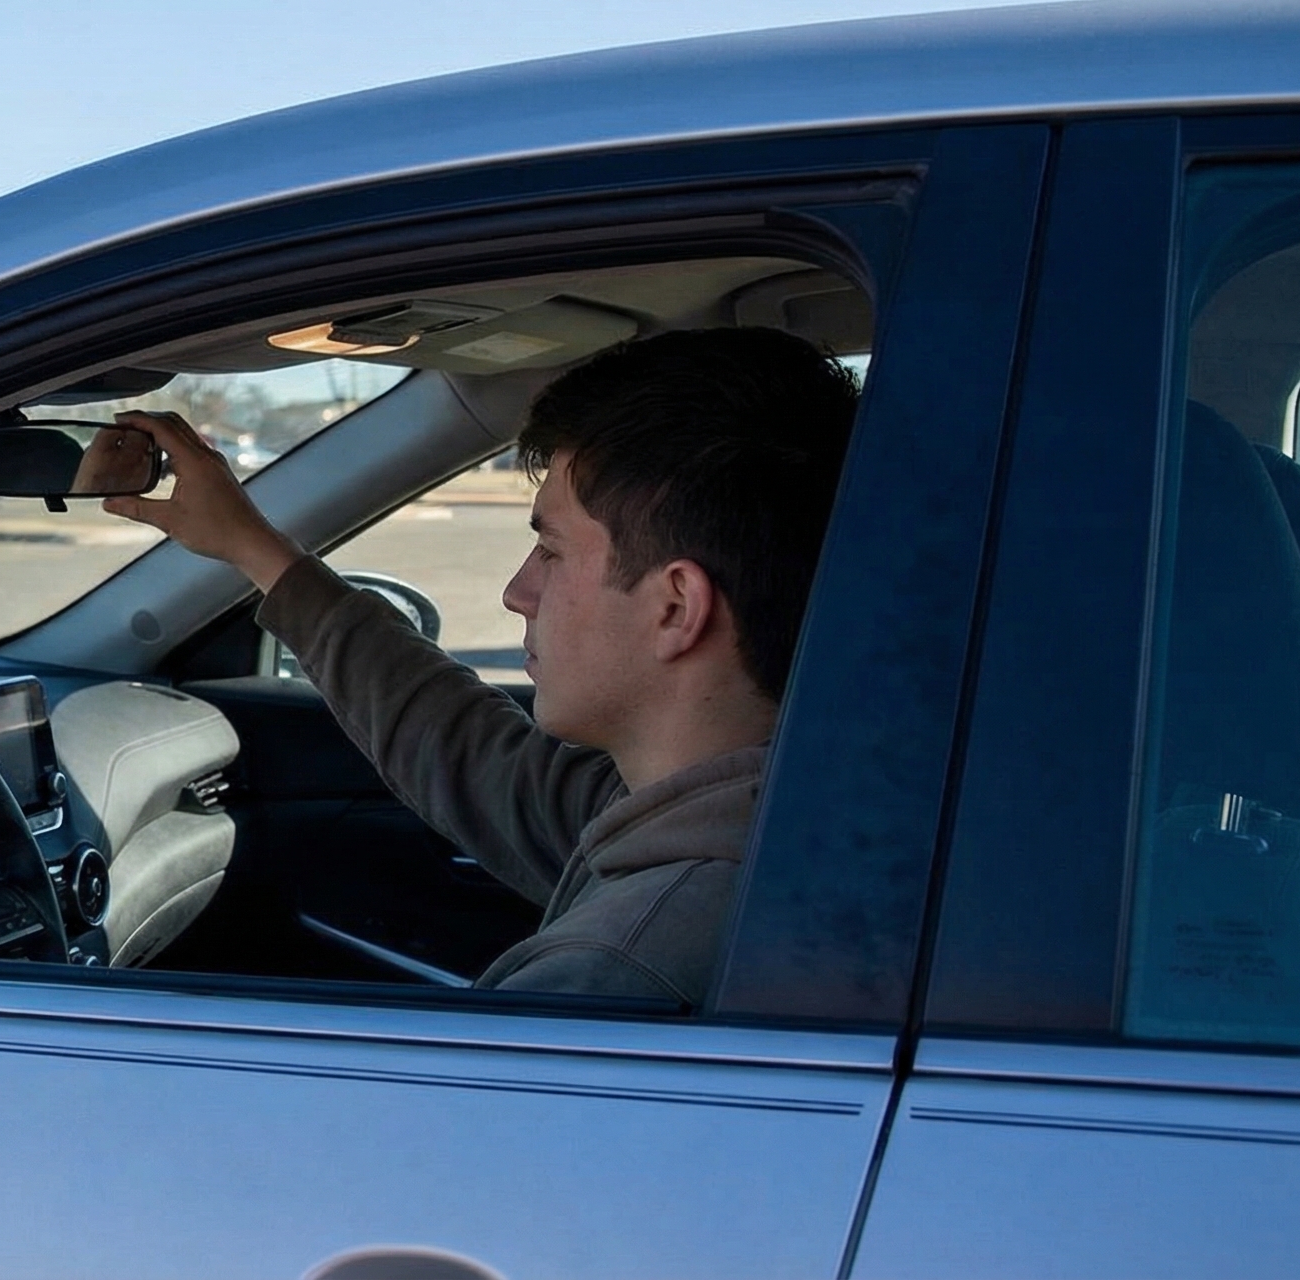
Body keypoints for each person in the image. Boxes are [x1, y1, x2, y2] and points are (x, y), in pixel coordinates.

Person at [103, 328, 860, 1005]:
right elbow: (473, 755)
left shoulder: (614, 976)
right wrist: (252, 547)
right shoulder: (776, 807)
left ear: (675, 608)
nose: (516, 593)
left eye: (553, 552)